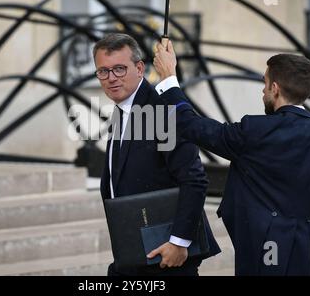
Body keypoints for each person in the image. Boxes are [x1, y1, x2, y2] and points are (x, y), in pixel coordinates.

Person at [153, 40, 310, 276]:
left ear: (275, 88)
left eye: (265, 84)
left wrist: (168, 78)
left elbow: (192, 125)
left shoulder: (254, 132)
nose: (263, 91)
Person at [94, 33, 220, 276]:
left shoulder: (162, 108)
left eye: (120, 69)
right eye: (103, 71)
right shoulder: (124, 107)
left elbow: (194, 179)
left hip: (166, 257)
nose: (111, 78)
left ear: (140, 68)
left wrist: (179, 242)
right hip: (134, 252)